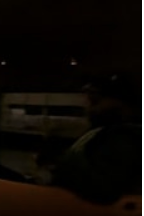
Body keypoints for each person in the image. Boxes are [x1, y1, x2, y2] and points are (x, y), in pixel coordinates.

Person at [47, 73, 141, 204]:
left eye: (95, 101)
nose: (89, 108)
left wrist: (61, 163)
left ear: (122, 103)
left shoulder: (124, 138)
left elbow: (103, 189)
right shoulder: (104, 132)